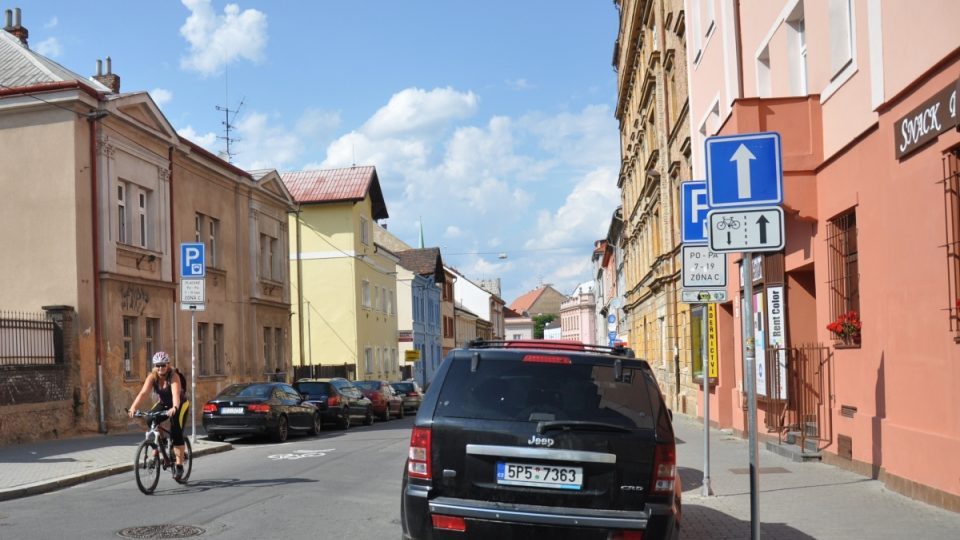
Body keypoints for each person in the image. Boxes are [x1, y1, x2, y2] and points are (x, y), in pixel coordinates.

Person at [129, 351, 189, 479]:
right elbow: (143, 393)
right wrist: (133, 407)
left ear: (168, 365)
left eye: (163, 365)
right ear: (154, 366)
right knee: (151, 418)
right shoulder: (152, 376)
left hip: (179, 404)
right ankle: (161, 441)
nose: (160, 368)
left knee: (176, 431)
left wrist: (174, 408)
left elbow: (175, 395)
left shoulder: (173, 376)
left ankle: (179, 466)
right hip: (164, 404)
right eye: (158, 365)